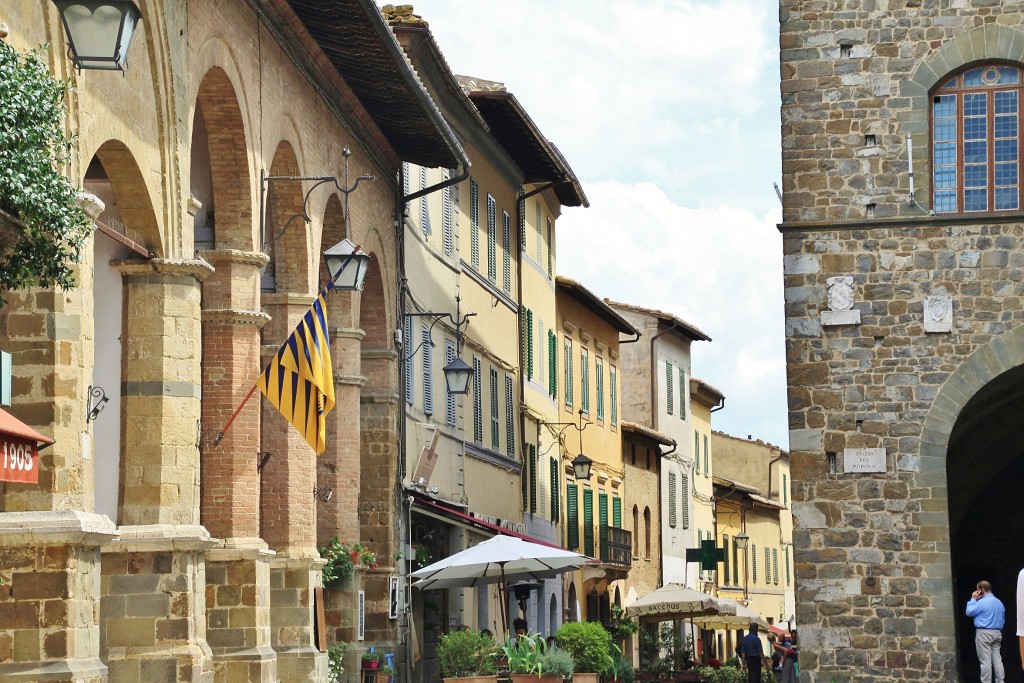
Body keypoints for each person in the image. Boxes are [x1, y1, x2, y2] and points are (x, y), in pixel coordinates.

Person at [966, 580, 1006, 683]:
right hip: (997, 633)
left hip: (984, 633)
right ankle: (1000, 681)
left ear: (981, 590)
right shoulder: (999, 603)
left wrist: (973, 599)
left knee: (985, 661)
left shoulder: (981, 602)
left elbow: (969, 612)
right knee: (997, 659)